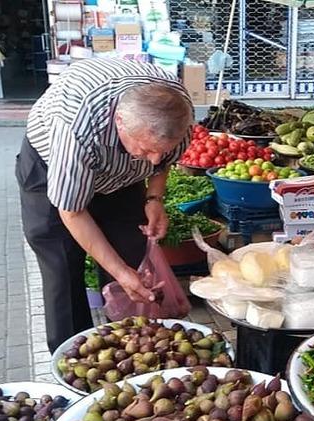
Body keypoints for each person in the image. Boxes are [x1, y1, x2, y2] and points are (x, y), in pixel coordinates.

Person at [16, 58, 193, 352]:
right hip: (51, 167)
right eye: (146, 149)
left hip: (121, 178)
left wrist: (154, 198)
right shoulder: (78, 127)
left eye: (161, 152)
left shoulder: (177, 112)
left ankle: (130, 351)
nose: (152, 160)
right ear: (119, 121)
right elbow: (72, 211)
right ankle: (71, 358)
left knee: (130, 256)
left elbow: (162, 162)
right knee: (61, 265)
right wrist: (121, 272)